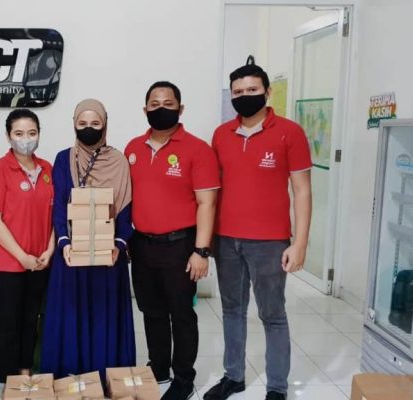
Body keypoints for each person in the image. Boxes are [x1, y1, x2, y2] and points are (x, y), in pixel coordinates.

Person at [203, 57, 312, 400]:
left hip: (270, 242)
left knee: (272, 314)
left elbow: (303, 190)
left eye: (252, 90)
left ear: (267, 92)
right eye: (238, 92)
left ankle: (277, 386)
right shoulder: (221, 134)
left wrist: (300, 243)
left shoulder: (290, 132)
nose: (245, 96)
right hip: (226, 239)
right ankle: (233, 376)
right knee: (232, 310)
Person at [125, 81, 220, 400]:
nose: (161, 109)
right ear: (145, 110)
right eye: (154, 104)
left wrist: (201, 251)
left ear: (180, 108)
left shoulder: (197, 149)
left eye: (168, 103)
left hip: (181, 245)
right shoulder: (133, 149)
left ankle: (183, 377)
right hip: (142, 244)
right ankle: (159, 367)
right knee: (150, 310)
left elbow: (207, 203)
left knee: (181, 314)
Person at [40, 99, 135, 381]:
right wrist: (64, 243)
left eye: (95, 123)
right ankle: (71, 376)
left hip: (109, 256)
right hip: (71, 254)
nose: (89, 128)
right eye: (82, 123)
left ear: (105, 125)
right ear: (74, 124)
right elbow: (59, 206)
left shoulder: (119, 161)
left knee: (104, 315)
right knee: (72, 314)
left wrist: (119, 244)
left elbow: (126, 208)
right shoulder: (63, 159)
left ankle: (106, 376)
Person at [0, 109, 55, 383]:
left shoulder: (47, 169)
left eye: (32, 133)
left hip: (40, 262)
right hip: (6, 265)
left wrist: (49, 250)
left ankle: (25, 371)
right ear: (8, 136)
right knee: (8, 324)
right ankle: (8, 381)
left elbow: (56, 215)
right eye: (19, 133)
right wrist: (21, 256)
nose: (26, 139)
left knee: (30, 319)